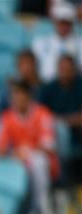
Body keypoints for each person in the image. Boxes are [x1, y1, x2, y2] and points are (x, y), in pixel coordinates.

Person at [0, 80, 58, 214]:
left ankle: (41, 209)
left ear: (29, 97)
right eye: (15, 97)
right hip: (17, 161)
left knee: (38, 161)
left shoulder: (43, 113)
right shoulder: (7, 117)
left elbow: (49, 146)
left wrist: (27, 150)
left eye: (21, 96)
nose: (18, 101)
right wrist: (13, 153)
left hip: (43, 163)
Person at [38, 54, 82, 183]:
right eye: (63, 69)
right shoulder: (48, 88)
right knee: (61, 130)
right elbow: (42, 115)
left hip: (78, 131)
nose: (66, 72)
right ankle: (63, 181)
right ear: (57, 69)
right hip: (55, 133)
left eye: (69, 68)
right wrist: (67, 120)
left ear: (74, 70)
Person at [31, 1, 82, 83]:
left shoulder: (80, 43)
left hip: (73, 86)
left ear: (72, 24)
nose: (63, 26)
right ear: (55, 22)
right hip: (45, 85)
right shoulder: (40, 42)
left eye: (67, 23)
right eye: (61, 22)